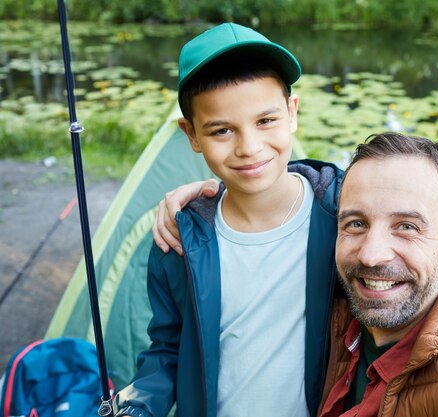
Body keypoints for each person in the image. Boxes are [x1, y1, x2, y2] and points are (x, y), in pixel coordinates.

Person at [155, 132, 438, 416]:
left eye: (407, 227)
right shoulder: (335, 305)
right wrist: (221, 195)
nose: (373, 255)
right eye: (355, 223)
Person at [113, 22, 343, 417]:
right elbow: (167, 349)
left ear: (292, 112)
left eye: (265, 121)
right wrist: (137, 406)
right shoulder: (179, 242)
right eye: (222, 131)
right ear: (192, 135)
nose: (249, 148)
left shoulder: (346, 216)